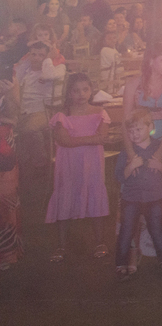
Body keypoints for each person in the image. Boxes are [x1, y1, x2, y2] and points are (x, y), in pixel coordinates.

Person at [123, 42, 162, 261]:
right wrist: (131, 154)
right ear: (151, 61)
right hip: (139, 138)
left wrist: (160, 152)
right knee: (139, 190)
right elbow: (125, 123)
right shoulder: (134, 85)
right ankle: (135, 248)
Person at [45, 73, 110, 262]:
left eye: (85, 89)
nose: (81, 94)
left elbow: (102, 137)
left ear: (91, 90)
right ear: (69, 93)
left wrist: (76, 140)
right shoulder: (62, 115)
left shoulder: (100, 112)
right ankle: (61, 244)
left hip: (93, 163)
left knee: (95, 195)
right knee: (66, 195)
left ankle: (100, 241)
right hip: (69, 164)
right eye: (76, 90)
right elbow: (63, 141)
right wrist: (92, 139)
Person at [115, 108, 162, 280]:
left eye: (138, 129)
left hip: (154, 198)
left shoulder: (159, 147)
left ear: (150, 127)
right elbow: (119, 176)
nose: (134, 134)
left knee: (157, 229)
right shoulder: (126, 151)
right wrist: (131, 166)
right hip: (131, 198)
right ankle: (120, 264)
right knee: (126, 231)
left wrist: (160, 167)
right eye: (131, 130)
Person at [12, 40, 64, 203]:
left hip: (43, 111)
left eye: (40, 55)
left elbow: (49, 75)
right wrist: (26, 60)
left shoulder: (49, 70)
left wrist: (48, 58)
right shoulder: (26, 70)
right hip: (24, 112)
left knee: (30, 130)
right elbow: (15, 77)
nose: (36, 58)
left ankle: (41, 162)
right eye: (33, 54)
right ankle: (24, 184)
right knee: (18, 139)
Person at [0, 71, 20, 271]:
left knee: (5, 200)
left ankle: (6, 252)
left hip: (3, 147)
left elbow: (14, 118)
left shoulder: (9, 80)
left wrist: (7, 94)